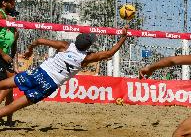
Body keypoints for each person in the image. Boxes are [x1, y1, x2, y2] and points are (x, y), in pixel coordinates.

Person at [0, 26, 128, 118]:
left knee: (3, 84)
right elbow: (110, 53)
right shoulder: (86, 58)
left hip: (39, 73)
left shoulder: (65, 46)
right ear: (88, 47)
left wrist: (30, 50)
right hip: (49, 84)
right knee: (12, 107)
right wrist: (123, 37)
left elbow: (39, 41)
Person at [0, 0, 19, 125]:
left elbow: (14, 46)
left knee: (11, 88)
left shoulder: (12, 24)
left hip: (7, 58)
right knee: (6, 87)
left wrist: (14, 61)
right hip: (1, 56)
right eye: (11, 1)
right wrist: (3, 54)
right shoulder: (0, 15)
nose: (14, 3)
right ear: (4, 3)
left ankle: (9, 119)